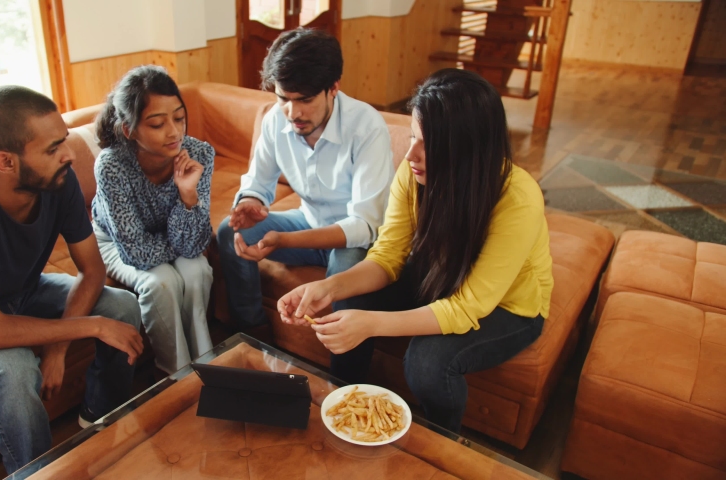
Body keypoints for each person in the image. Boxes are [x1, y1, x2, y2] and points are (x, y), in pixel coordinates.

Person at [277, 69, 553, 434]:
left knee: (427, 364)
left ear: (468, 147)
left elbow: (469, 306)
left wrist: (372, 324)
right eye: (412, 137)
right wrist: (328, 289)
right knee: (351, 301)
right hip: (439, 278)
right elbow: (388, 256)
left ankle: (442, 446)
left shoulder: (517, 198)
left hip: (507, 306)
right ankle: (345, 406)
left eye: (428, 143)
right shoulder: (414, 172)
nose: (410, 154)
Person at [0, 86, 144, 474]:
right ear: (5, 161)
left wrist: (57, 350)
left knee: (121, 305)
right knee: (16, 367)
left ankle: (100, 421)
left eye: (64, 141)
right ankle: (35, 471)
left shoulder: (59, 181)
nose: (69, 155)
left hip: (25, 291)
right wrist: (92, 326)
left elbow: (92, 271)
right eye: (53, 149)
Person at [217, 28, 394, 331]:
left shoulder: (367, 127)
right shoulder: (276, 118)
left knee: (346, 268)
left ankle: (343, 373)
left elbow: (365, 226)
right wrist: (250, 202)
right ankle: (252, 336)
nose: (293, 112)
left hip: (356, 242)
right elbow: (258, 183)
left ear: (333, 87)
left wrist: (284, 240)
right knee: (228, 233)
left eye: (306, 100)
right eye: (283, 98)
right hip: (308, 223)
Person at [91, 66, 214, 374]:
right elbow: (137, 253)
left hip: (165, 237)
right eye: (158, 123)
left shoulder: (199, 154)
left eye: (179, 118)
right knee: (162, 282)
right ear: (128, 130)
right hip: (114, 242)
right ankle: (176, 375)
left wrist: (188, 196)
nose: (174, 132)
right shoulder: (111, 165)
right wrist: (181, 243)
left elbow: (197, 245)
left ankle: (209, 367)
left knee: (197, 270)